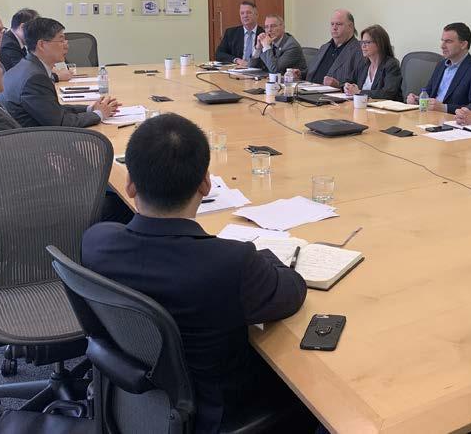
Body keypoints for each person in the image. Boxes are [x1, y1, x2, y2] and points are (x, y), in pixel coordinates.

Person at [82, 114, 309, 432]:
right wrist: (264, 257)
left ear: (130, 184)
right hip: (214, 412)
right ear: (205, 183)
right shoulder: (230, 264)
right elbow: (292, 291)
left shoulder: (96, 242)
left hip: (132, 397)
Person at [0, 17, 119, 127]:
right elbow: (60, 123)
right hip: (34, 139)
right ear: (41, 45)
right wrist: (99, 114)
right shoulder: (34, 78)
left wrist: (90, 109)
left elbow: (54, 110)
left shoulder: (28, 67)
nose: (67, 45)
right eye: (61, 40)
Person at [406, 22, 471, 111]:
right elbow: (428, 93)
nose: (442, 46)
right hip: (430, 115)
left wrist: (444, 108)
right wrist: (418, 100)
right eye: (442, 41)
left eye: (448, 41)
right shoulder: (441, 65)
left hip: (452, 118)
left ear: (463, 44)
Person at [0, 8, 74, 81]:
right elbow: (23, 73)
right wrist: (56, 76)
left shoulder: (18, 42)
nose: (38, 35)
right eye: (35, 30)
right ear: (22, 27)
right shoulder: (9, 44)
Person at [305, 8, 363, 87]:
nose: (334, 28)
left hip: (333, 93)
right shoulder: (324, 47)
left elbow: (359, 83)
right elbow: (311, 72)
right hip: (308, 89)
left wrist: (338, 85)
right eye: (332, 24)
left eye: (338, 24)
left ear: (350, 26)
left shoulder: (359, 50)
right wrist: (300, 74)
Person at [344, 24, 402, 100]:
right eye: (362, 42)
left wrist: (359, 92)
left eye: (367, 42)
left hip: (383, 107)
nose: (363, 46)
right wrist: (347, 86)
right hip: (362, 105)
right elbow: (349, 81)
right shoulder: (363, 64)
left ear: (379, 44)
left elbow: (388, 93)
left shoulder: (391, 65)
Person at [214, 1, 264, 65]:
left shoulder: (264, 33)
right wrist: (236, 60)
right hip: (237, 68)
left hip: (257, 68)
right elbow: (219, 54)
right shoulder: (231, 33)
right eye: (242, 13)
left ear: (256, 15)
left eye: (248, 13)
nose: (245, 16)